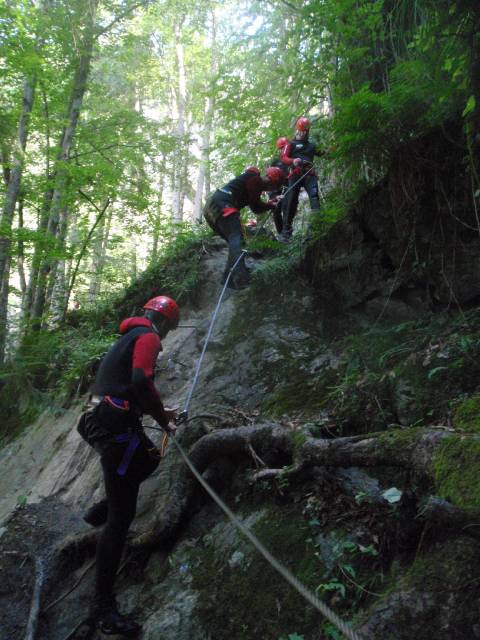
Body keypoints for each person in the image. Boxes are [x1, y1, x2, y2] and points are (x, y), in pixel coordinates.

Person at [77, 295, 179, 637]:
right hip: (115, 425)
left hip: (101, 419)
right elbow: (139, 380)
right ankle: (102, 608)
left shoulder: (127, 337)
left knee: (148, 459)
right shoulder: (148, 336)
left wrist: (164, 413)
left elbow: (126, 386)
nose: (163, 340)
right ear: (164, 322)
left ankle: (100, 509)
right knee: (122, 519)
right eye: (168, 330)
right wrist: (163, 420)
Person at [203, 166, 284, 288]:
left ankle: (228, 280)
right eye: (275, 185)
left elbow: (255, 204)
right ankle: (239, 275)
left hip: (211, 208)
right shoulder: (255, 180)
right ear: (272, 180)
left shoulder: (251, 181)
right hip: (223, 203)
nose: (272, 189)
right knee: (237, 237)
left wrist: (270, 204)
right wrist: (271, 205)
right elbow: (255, 207)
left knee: (234, 241)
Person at [279, 117, 323, 242]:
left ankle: (317, 225)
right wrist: (293, 160)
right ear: (297, 130)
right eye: (301, 130)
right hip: (295, 174)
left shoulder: (312, 145)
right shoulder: (290, 144)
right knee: (291, 200)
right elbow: (283, 157)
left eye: (306, 131)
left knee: (314, 196)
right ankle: (286, 232)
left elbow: (324, 153)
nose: (303, 133)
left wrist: (335, 149)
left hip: (309, 174)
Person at [269, 137, 290, 235]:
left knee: (287, 207)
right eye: (282, 148)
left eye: (284, 147)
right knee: (276, 211)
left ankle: (287, 232)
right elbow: (270, 175)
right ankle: (281, 233)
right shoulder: (275, 162)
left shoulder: (290, 160)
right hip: (274, 188)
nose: (283, 150)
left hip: (286, 187)